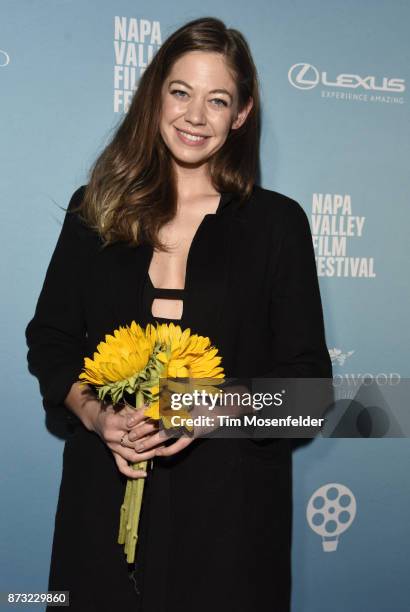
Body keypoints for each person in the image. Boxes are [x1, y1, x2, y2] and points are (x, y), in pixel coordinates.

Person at [25, 16, 332, 612]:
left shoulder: (277, 225)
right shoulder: (98, 208)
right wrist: (95, 415)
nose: (195, 116)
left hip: (233, 521)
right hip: (102, 503)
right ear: (155, 95)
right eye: (181, 92)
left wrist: (207, 407)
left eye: (217, 100)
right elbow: (52, 340)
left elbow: (311, 392)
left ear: (240, 114)